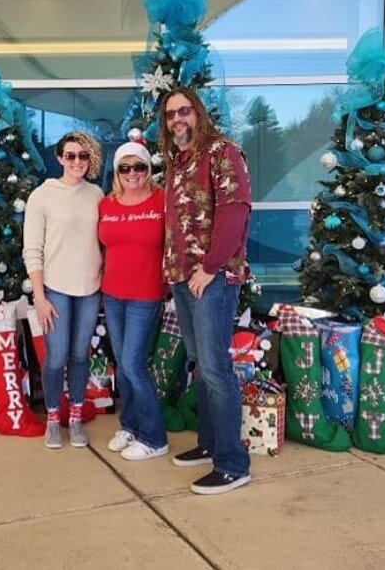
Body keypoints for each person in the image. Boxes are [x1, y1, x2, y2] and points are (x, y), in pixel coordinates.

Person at [160, 86, 252, 495]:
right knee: (201, 362)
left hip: (211, 278)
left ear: (198, 113)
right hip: (183, 276)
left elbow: (234, 212)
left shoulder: (222, 153)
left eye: (184, 110)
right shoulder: (178, 161)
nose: (177, 118)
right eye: (169, 114)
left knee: (216, 368)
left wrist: (210, 266)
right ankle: (210, 444)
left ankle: (233, 463)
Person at [23, 131, 103, 449]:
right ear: (59, 158)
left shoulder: (97, 194)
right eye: (70, 156)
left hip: (89, 288)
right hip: (55, 289)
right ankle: (53, 420)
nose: (77, 162)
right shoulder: (42, 196)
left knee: (79, 355)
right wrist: (39, 297)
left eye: (83, 156)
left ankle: (76, 417)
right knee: (56, 357)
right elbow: (32, 250)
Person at [98, 139, 167, 461]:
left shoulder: (161, 200)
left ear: (148, 169)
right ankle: (129, 425)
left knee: (133, 365)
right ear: (116, 171)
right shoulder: (106, 204)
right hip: (112, 294)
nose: (132, 173)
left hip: (146, 295)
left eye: (138, 166)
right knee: (123, 368)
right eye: (125, 167)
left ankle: (154, 438)